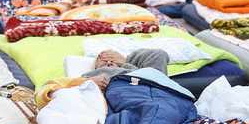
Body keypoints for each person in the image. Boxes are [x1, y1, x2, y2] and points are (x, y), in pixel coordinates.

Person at [34, 48, 170, 108]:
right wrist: (85, 83)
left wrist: (126, 61)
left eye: (113, 61)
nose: (110, 63)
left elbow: (158, 56)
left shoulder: (135, 69)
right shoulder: (91, 77)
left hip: (160, 100)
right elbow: (47, 90)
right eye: (103, 62)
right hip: (127, 107)